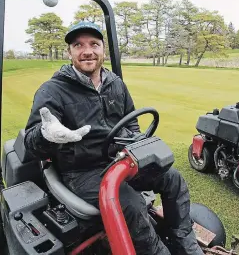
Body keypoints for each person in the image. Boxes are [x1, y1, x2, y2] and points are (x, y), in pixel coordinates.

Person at [24, 21, 204, 255]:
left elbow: (131, 120)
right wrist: (46, 134)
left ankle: (185, 244)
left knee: (173, 179)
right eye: (78, 45)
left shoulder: (115, 84)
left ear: (102, 50)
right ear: (69, 52)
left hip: (121, 160)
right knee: (130, 203)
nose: (87, 50)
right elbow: (31, 143)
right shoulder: (53, 90)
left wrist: (134, 138)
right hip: (81, 171)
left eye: (94, 44)